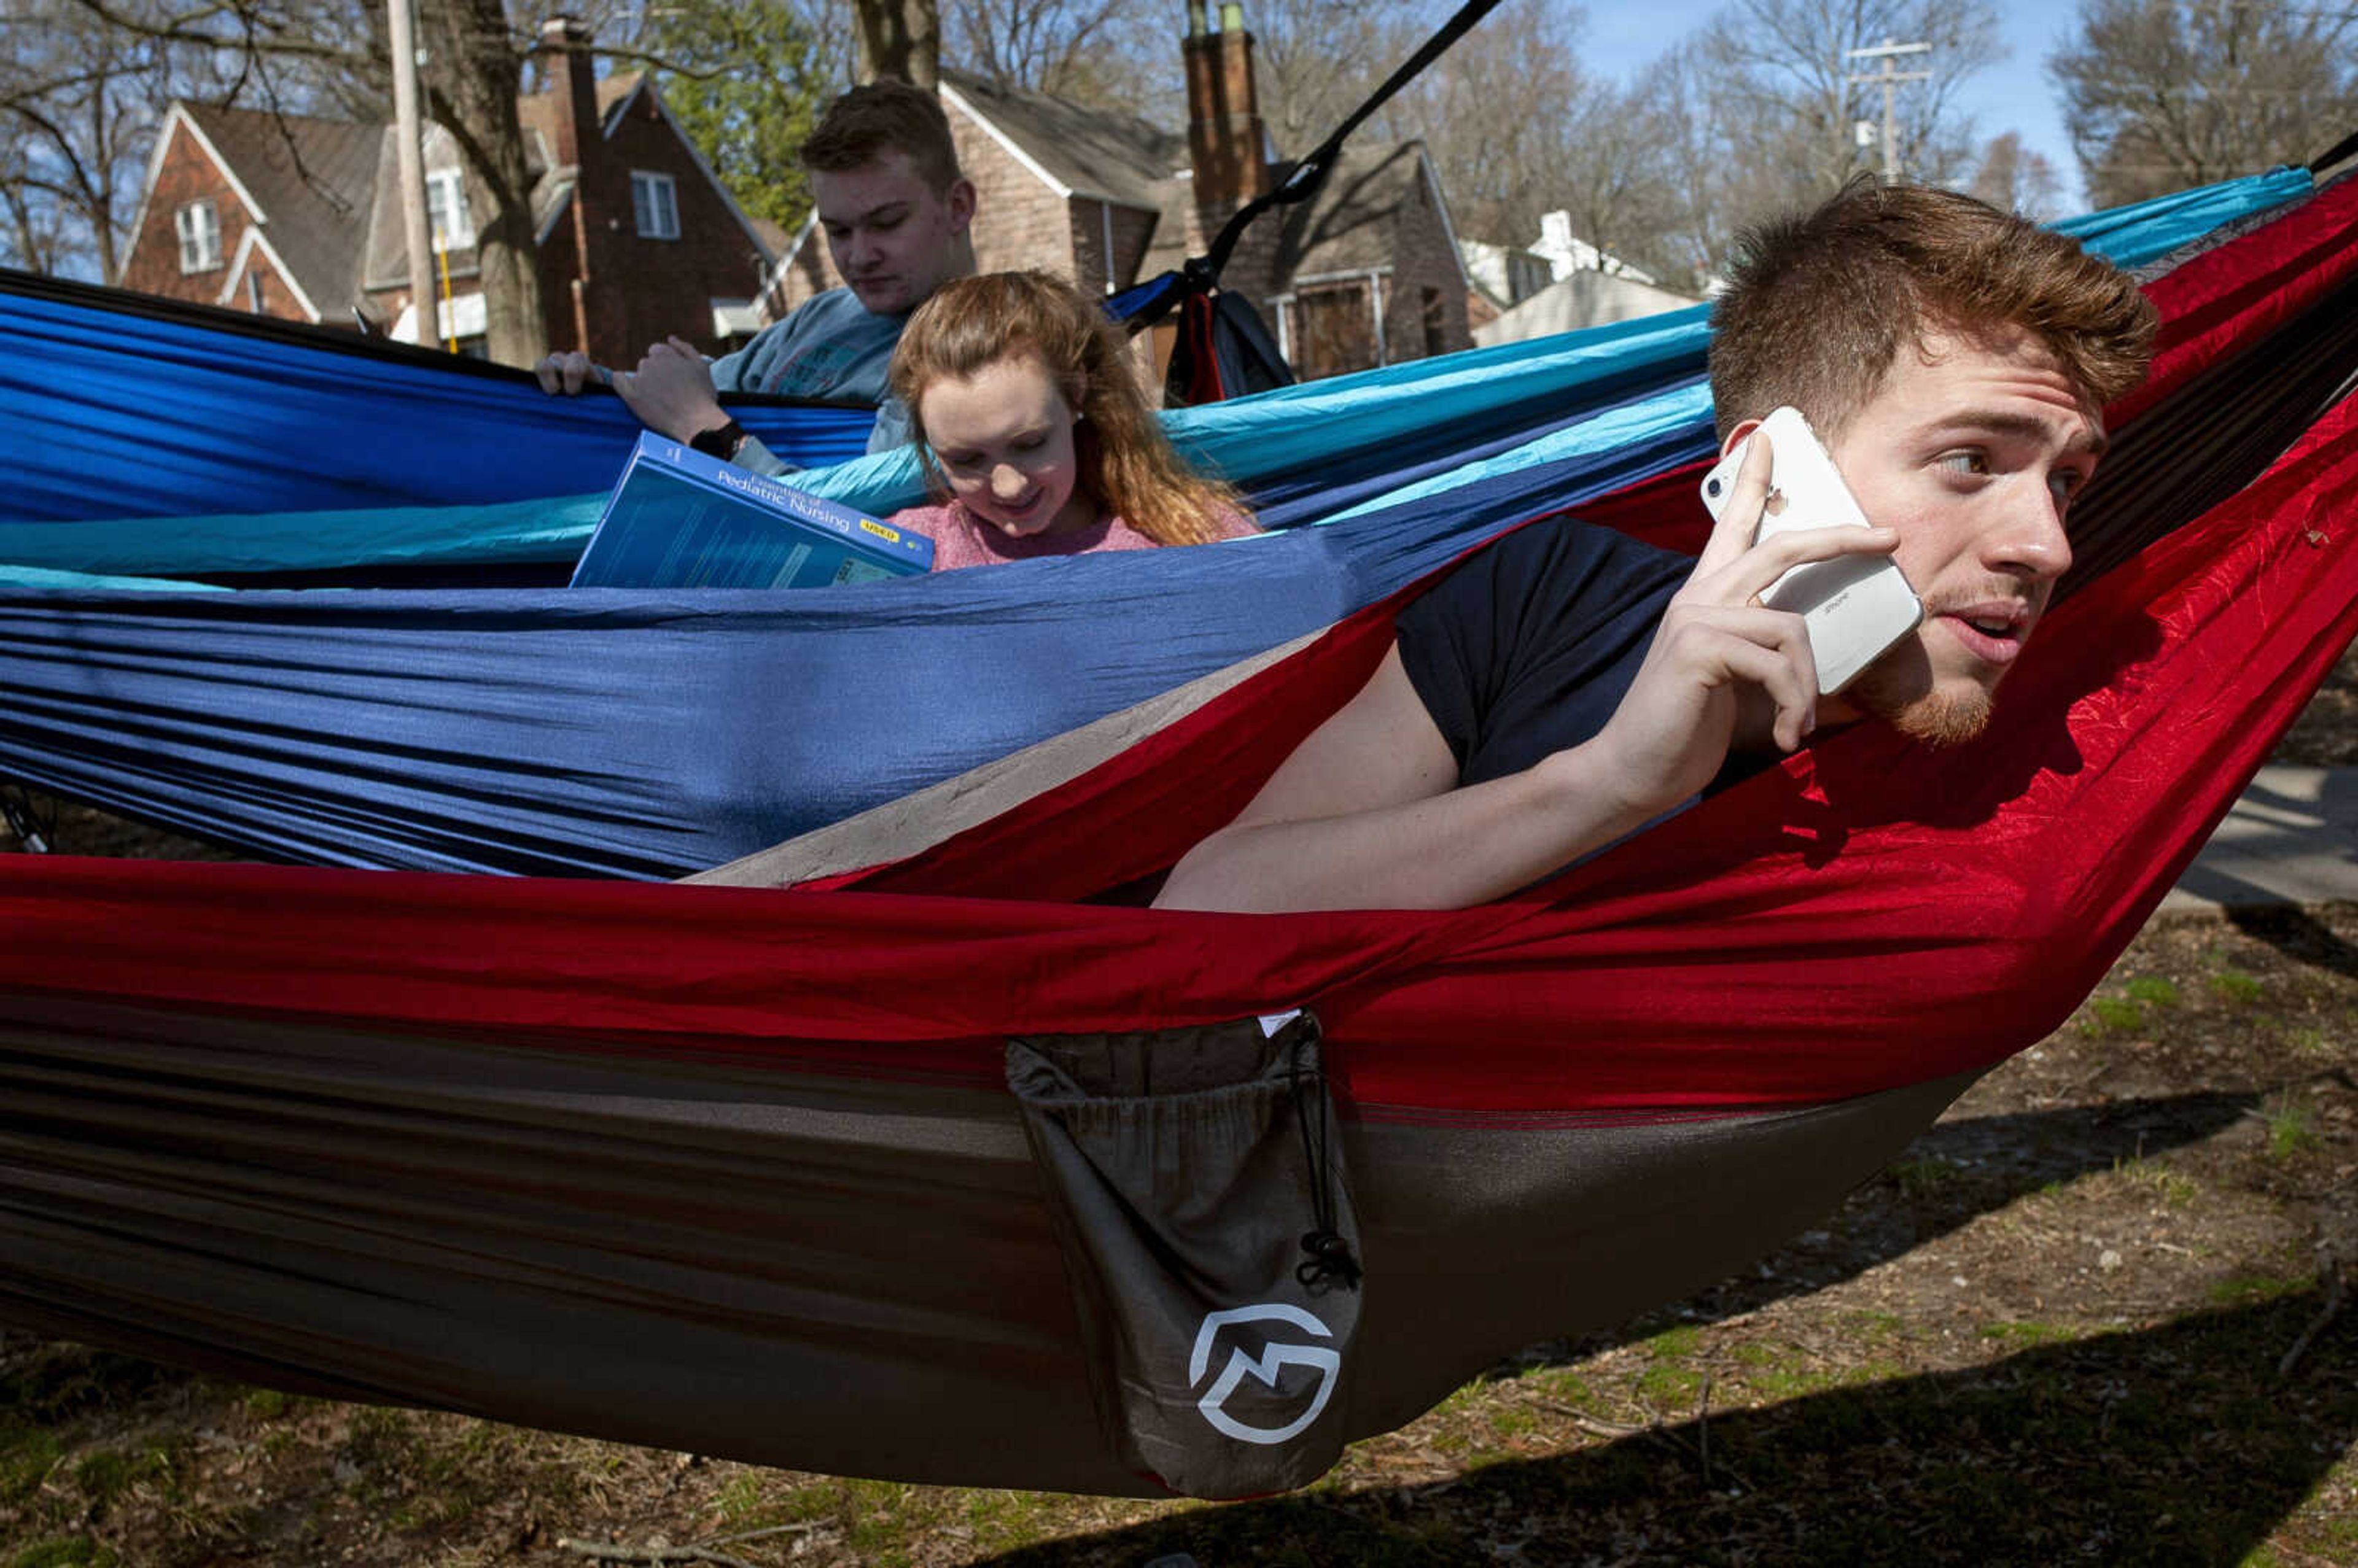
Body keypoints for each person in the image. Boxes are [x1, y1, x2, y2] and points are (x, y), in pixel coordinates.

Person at [1154, 179, 2158, 914]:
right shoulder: (1545, 593)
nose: (2050, 545)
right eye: (1974, 459)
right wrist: (1606, 785)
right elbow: (1206, 897)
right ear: (1773, 473)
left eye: (2068, 479)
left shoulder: (2034, 772)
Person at [533, 79, 977, 476]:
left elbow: (859, 535)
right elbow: (704, 388)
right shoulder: (827, 313)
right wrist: (601, 389)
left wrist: (707, 432)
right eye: (838, 231)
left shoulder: (965, 351)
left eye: (887, 223)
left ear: (958, 207)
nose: (859, 256)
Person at [884, 271, 1258, 570]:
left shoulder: (1195, 534)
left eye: (1030, 444)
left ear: (1076, 393)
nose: (1009, 486)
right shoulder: (908, 550)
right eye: (966, 460)